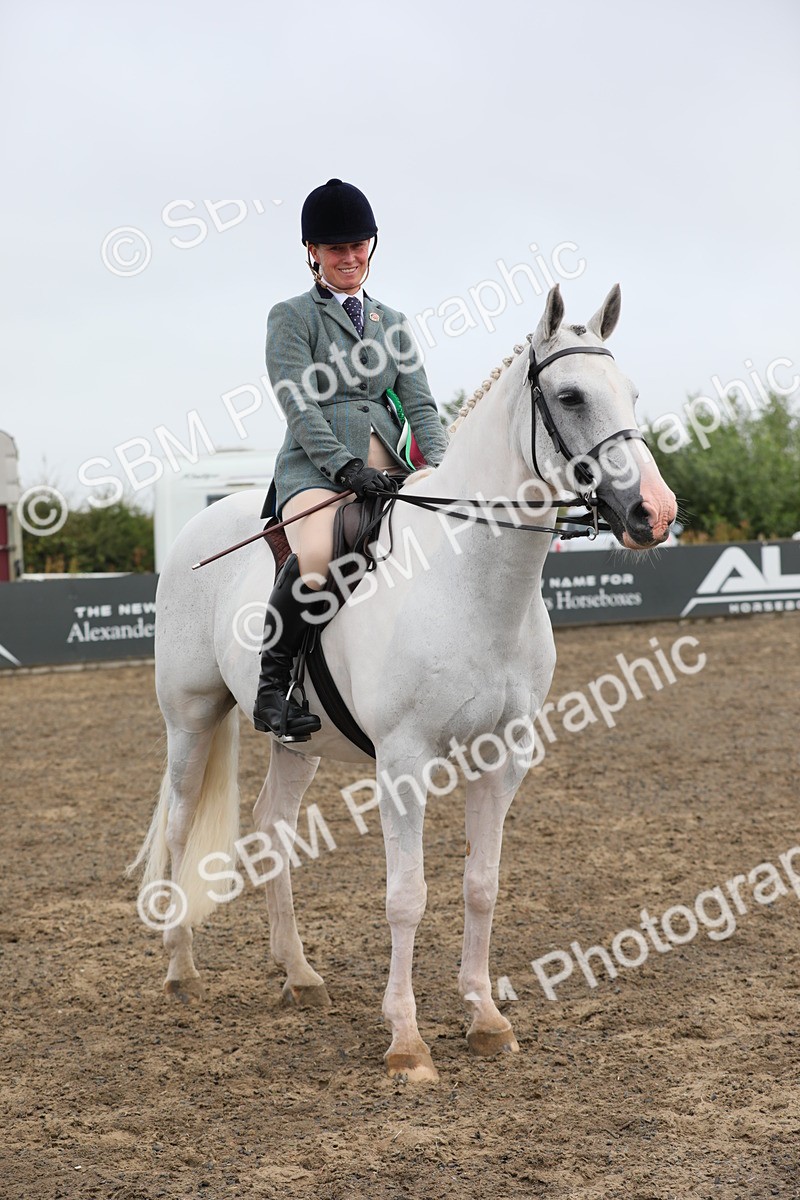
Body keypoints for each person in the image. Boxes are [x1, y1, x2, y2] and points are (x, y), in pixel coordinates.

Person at [253, 178, 449, 740]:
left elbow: (420, 403)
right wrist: (344, 467)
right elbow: (297, 404)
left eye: (358, 244)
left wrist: (438, 465)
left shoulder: (394, 322)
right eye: (336, 248)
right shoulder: (292, 317)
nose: (350, 256)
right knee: (317, 556)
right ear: (312, 254)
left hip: (390, 470)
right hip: (317, 470)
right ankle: (274, 688)